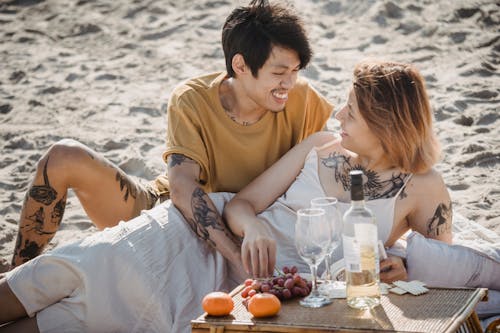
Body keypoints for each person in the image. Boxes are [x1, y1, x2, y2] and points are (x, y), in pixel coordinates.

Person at [0, 60, 452, 332]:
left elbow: (445, 273)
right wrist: (253, 225)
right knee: (74, 270)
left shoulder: (424, 187)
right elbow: (240, 204)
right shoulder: (321, 146)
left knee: (68, 320)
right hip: (206, 238)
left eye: (351, 111)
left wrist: (406, 266)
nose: (337, 114)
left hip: (264, 286)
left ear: (386, 124)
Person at [7, 0, 333, 272]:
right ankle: (18, 273)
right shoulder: (191, 98)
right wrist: (235, 258)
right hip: (165, 215)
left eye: (295, 71)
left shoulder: (303, 99)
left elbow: (353, 150)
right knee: (64, 157)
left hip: (248, 222)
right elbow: (181, 188)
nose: (289, 84)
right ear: (241, 65)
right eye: (279, 73)